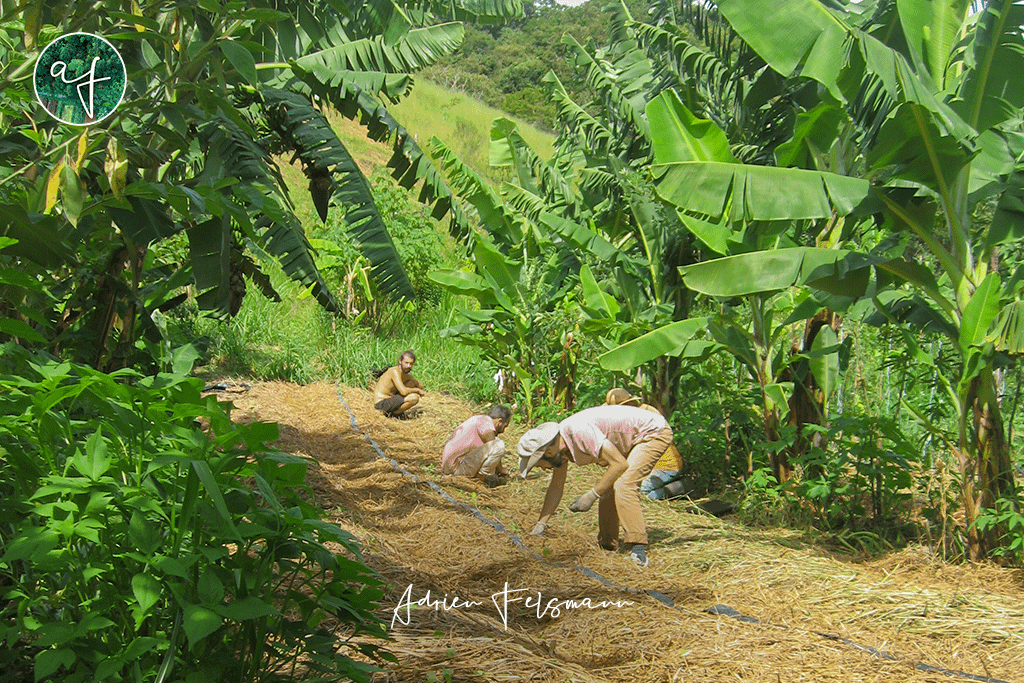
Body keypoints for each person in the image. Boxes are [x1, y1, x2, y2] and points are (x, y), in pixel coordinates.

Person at [516, 404, 674, 568]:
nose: (541, 468)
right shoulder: (560, 448)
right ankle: (608, 546)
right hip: (631, 439)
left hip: (652, 433)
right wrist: (541, 524)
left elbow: (619, 465)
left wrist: (591, 495)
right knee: (607, 486)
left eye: (538, 464)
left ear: (548, 453)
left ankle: (638, 551)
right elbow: (556, 487)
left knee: (624, 484)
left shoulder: (578, 433)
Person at [605, 388, 688, 500]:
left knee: (638, 493)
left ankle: (679, 487)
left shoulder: (643, 415)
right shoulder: (637, 413)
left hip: (665, 466)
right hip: (651, 465)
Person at [441, 404, 513, 486]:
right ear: (499, 421)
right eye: (505, 426)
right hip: (456, 470)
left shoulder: (477, 419)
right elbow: (493, 444)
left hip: (451, 468)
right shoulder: (486, 421)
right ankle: (480, 481)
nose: (503, 431)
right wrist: (501, 470)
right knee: (498, 444)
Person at [373, 350, 424, 418]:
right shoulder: (394, 371)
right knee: (414, 398)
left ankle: (393, 413)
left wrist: (412, 381)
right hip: (381, 403)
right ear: (400, 361)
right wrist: (417, 390)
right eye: (406, 363)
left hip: (391, 400)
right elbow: (404, 392)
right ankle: (392, 414)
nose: (408, 366)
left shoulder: (405, 374)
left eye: (411, 364)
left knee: (410, 383)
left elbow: (420, 385)